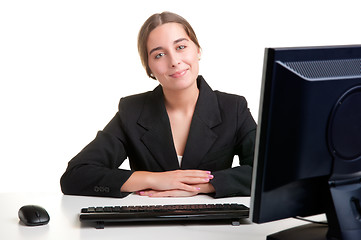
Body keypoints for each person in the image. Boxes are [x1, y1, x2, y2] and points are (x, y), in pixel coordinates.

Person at [60, 11, 257, 198]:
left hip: (216, 227)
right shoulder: (132, 111)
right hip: (150, 224)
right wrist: (155, 179)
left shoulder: (233, 108)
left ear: (198, 50)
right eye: (159, 55)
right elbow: (75, 176)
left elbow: (271, 171)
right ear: (150, 69)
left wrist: (202, 187)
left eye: (181, 47)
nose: (174, 61)